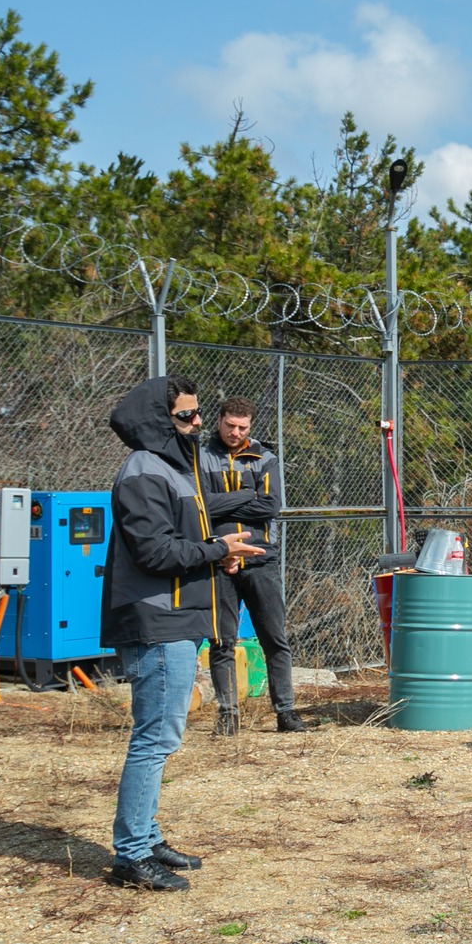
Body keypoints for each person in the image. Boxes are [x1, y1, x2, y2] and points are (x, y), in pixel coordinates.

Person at [102, 376, 265, 892]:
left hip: (176, 618)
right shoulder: (144, 469)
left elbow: (182, 539)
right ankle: (131, 855)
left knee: (161, 736)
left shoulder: (174, 466)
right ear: (158, 420)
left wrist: (219, 549)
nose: (197, 423)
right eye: (185, 416)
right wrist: (218, 550)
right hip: (156, 621)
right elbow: (154, 552)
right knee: (155, 739)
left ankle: (147, 838)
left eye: (197, 414)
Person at [198, 398, 303, 735]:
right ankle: (228, 715)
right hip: (218, 560)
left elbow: (270, 506)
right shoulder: (200, 457)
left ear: (250, 426)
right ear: (219, 421)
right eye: (230, 425)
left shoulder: (265, 457)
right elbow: (200, 505)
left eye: (242, 427)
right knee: (221, 641)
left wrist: (224, 505)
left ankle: (285, 712)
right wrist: (246, 495)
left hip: (261, 559)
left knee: (275, 638)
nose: (235, 432)